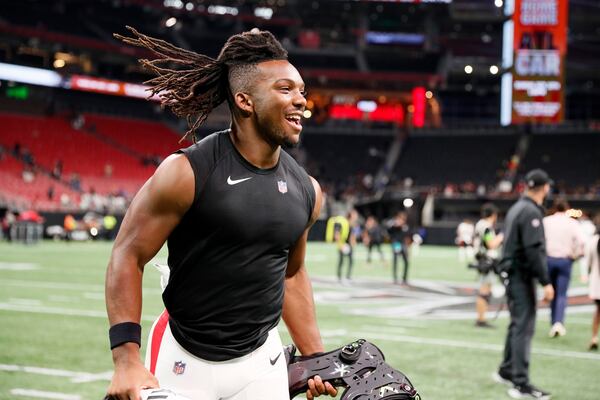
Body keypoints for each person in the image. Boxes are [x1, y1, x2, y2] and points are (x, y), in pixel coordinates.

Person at [105, 28, 336, 400]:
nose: (301, 101)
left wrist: (314, 357)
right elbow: (128, 255)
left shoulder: (307, 190)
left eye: (302, 91)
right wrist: (126, 359)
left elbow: (291, 276)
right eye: (285, 89)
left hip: (262, 363)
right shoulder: (186, 172)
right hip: (182, 359)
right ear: (245, 101)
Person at [494, 169, 555, 400]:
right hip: (521, 275)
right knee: (523, 327)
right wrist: (545, 281)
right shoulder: (530, 211)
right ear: (545, 187)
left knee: (516, 325)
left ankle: (507, 369)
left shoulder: (517, 208)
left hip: (512, 273)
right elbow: (533, 251)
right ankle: (520, 383)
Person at [542, 197, 585, 337]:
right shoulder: (572, 223)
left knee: (551, 291)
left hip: (548, 259)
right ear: (566, 208)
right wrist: (576, 254)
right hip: (564, 261)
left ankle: (553, 322)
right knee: (561, 294)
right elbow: (581, 242)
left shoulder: (546, 221)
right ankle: (558, 322)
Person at [472, 203, 504, 328]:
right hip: (486, 261)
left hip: (482, 259)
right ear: (493, 215)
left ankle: (481, 318)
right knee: (484, 290)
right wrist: (502, 236)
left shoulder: (480, 224)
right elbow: (491, 244)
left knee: (486, 289)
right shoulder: (486, 227)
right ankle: (481, 319)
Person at [583, 215, 600, 351]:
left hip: (597, 284)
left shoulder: (593, 241)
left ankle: (594, 337)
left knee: (598, 312)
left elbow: (587, 262)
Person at [387, 211, 411, 285]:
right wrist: (395, 225)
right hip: (396, 244)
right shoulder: (393, 225)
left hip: (403, 244)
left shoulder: (405, 226)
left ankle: (404, 278)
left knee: (406, 261)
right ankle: (395, 278)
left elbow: (407, 236)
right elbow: (388, 231)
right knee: (395, 261)